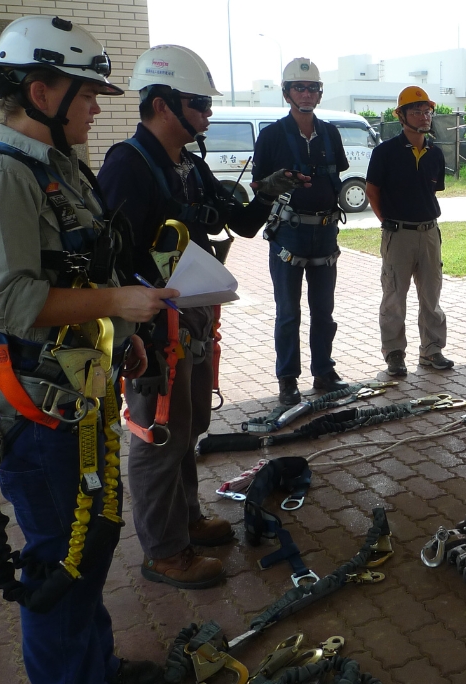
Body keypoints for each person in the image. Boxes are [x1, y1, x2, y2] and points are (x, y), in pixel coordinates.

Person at [0, 16, 172, 683]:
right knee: (61, 562)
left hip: (76, 396)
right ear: (42, 92)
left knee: (90, 552)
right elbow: (5, 302)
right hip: (36, 417)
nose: (98, 106)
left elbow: (77, 273)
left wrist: (120, 338)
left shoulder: (57, 169)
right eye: (85, 91)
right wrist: (117, 306)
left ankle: (93, 667)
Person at [98, 45, 294, 588]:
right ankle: (164, 550)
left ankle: (185, 518)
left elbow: (242, 224)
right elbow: (110, 260)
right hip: (151, 327)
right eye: (199, 104)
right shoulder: (127, 166)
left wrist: (266, 194)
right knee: (159, 433)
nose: (207, 115)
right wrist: (132, 331)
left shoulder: (189, 165)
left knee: (188, 428)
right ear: (162, 104)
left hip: (190, 320)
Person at [252, 58, 351, 406]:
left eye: (312, 88)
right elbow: (258, 185)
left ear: (319, 93)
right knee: (289, 312)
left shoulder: (330, 133)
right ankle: (287, 379)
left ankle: (324, 371)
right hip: (288, 233)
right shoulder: (272, 135)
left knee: (323, 310)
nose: (306, 93)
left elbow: (335, 176)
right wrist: (273, 183)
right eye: (300, 87)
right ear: (286, 92)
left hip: (324, 232)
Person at [366, 86, 453, 376]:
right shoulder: (384, 153)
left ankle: (432, 351)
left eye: (427, 111)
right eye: (416, 111)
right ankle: (394, 354)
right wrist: (386, 221)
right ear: (402, 116)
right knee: (394, 296)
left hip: (429, 234)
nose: (424, 116)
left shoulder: (435, 153)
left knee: (432, 295)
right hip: (397, 234)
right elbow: (372, 191)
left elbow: (433, 192)